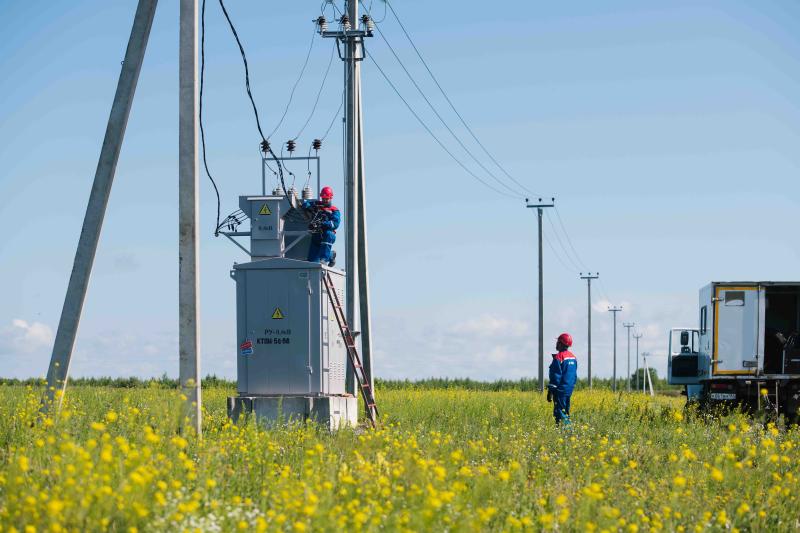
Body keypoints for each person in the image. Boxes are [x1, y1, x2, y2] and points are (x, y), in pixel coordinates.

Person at [302, 186, 340, 266]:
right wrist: (309, 207)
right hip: (317, 234)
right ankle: (331, 255)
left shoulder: (334, 210)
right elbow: (305, 203)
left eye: (327, 199)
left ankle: (324, 259)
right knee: (311, 261)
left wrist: (323, 223)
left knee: (328, 235)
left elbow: (335, 224)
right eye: (323, 199)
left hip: (327, 235)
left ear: (331, 198)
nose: (325, 201)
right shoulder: (317, 205)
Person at [547, 333, 578, 425]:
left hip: (560, 390)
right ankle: (560, 433)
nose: (556, 344)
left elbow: (555, 377)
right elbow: (574, 376)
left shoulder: (559, 357)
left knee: (560, 413)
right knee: (565, 412)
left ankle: (568, 433)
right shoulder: (573, 357)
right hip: (569, 390)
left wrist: (550, 391)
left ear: (560, 343)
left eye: (558, 342)